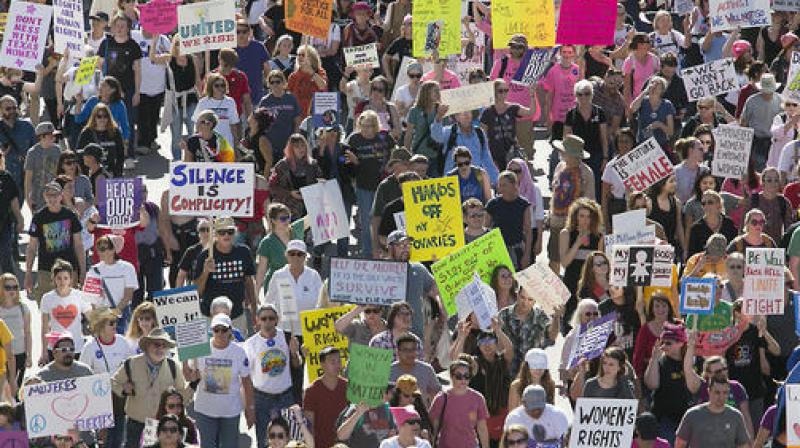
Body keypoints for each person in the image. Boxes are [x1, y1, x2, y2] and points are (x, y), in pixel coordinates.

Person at [112, 328, 191, 447]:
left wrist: (194, 384)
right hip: (135, 424)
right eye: (157, 344)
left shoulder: (173, 366)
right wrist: (123, 389)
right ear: (148, 345)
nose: (160, 348)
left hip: (162, 427)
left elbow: (182, 394)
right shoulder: (131, 363)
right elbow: (113, 382)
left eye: (164, 345)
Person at [185, 313, 255, 448]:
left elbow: (247, 382)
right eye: (216, 330)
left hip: (230, 411)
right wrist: (185, 359)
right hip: (205, 410)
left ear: (230, 330)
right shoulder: (201, 348)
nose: (220, 333)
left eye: (224, 329)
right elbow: (190, 377)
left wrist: (250, 409)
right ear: (212, 331)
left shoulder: (239, 352)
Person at [243, 304, 302, 448]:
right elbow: (245, 378)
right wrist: (249, 407)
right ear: (257, 320)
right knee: (265, 441)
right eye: (264, 319)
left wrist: (295, 353)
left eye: (271, 318)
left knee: (290, 440)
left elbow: (297, 365)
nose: (267, 322)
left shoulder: (287, 337)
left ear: (277, 320)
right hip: (262, 399)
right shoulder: (250, 344)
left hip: (286, 397)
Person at [79, 308, 132, 447]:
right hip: (100, 400)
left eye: (115, 321)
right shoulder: (90, 347)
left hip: (120, 398)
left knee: (119, 439)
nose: (115, 325)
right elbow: (82, 375)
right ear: (100, 326)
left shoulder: (123, 342)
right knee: (104, 441)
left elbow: (131, 367)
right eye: (110, 322)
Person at [346, 110, 397, 256]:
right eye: (363, 126)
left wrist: (391, 164)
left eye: (370, 126)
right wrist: (353, 161)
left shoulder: (383, 136)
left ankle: (387, 252)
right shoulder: (354, 139)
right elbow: (343, 160)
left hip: (384, 185)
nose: (366, 129)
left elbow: (396, 150)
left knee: (385, 218)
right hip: (363, 186)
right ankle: (368, 252)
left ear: (376, 126)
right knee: (367, 220)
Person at [193, 217, 257, 331]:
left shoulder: (244, 252)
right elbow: (197, 291)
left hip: (236, 315)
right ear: (215, 234)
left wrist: (254, 307)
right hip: (211, 316)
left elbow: (249, 281)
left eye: (230, 231)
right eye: (222, 232)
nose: (226, 235)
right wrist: (206, 272)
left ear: (235, 232)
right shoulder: (205, 256)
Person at [548, 135, 595, 272]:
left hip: (574, 224)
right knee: (554, 258)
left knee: (574, 260)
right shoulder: (560, 167)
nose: (560, 153)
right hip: (556, 220)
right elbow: (555, 192)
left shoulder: (586, 173)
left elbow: (589, 201)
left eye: (563, 151)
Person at [644, 322, 694, 444]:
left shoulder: (691, 360)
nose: (663, 346)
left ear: (681, 343)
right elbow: (652, 384)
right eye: (662, 342)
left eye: (668, 343)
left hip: (688, 418)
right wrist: (654, 358)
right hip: (666, 419)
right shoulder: (661, 362)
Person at [560, 198, 604, 325]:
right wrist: (578, 243)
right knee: (570, 323)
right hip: (571, 283)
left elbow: (600, 265)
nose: (585, 220)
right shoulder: (566, 233)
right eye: (582, 216)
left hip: (590, 285)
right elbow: (564, 262)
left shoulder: (599, 237)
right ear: (575, 217)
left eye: (589, 217)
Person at [38, 259, 90, 365]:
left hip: (76, 347)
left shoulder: (80, 296)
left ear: (70, 279)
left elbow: (92, 318)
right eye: (59, 278)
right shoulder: (47, 298)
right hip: (55, 349)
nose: (62, 282)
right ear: (54, 279)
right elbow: (44, 327)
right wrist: (43, 352)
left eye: (65, 278)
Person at [675, 376, 751, 448]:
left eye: (725, 393)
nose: (721, 397)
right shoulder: (692, 415)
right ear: (709, 391)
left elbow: (743, 445)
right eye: (717, 392)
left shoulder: (736, 416)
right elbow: (680, 444)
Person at [429, 359, 490, 448]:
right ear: (451, 376)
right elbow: (434, 428)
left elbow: (482, 428)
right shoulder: (441, 398)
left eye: (467, 376)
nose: (463, 379)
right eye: (458, 376)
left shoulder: (478, 398)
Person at [480, 79, 538, 170]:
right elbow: (483, 136)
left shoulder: (512, 108)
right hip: (495, 153)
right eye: (500, 91)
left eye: (506, 90)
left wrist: (532, 95)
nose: (504, 93)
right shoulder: (487, 112)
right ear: (494, 92)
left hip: (511, 152)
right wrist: (487, 156)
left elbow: (531, 112)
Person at [264, 240, 323, 327]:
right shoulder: (278, 275)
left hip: (310, 329)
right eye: (292, 253)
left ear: (305, 256)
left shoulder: (313, 275)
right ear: (286, 255)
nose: (295, 257)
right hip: (284, 329)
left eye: (299, 254)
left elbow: (322, 301)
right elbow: (269, 302)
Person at [565, 79, 608, 195]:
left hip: (596, 155)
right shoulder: (571, 114)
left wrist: (605, 158)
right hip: (577, 156)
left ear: (592, 94)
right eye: (580, 94)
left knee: (595, 187)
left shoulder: (599, 113)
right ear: (575, 95)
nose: (583, 97)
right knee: (576, 186)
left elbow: (604, 138)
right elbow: (566, 138)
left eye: (587, 93)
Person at [434, 111, 499, 186]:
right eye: (461, 112)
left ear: (472, 114)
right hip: (453, 183)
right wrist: (438, 117)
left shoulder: (479, 133)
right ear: (456, 117)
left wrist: (497, 181)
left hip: (475, 181)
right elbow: (436, 136)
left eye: (468, 111)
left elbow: (487, 159)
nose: (466, 114)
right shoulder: (449, 131)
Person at [303, 346, 348, 448]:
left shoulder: (348, 387)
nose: (337, 365)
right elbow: (309, 424)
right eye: (332, 362)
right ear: (322, 364)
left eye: (339, 361)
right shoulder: (312, 391)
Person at [269, 134, 322, 219]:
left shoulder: (312, 164)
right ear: (291, 149)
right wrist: (290, 193)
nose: (301, 149)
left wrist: (322, 183)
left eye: (303, 145)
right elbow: (272, 187)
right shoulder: (282, 165)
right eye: (297, 146)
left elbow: (319, 180)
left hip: (309, 210)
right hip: (287, 211)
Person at [486, 170, 532, 269]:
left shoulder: (523, 204)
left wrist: (527, 254)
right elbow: (485, 229)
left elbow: (528, 231)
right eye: (499, 185)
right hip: (497, 250)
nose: (500, 188)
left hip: (517, 250)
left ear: (514, 185)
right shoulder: (492, 204)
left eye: (504, 185)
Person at [741, 73, 784, 171]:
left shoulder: (781, 100)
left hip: (775, 141)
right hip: (757, 141)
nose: (767, 93)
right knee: (759, 170)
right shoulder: (751, 101)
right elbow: (743, 122)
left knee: (774, 169)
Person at [503, 385, 570, 444]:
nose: (536, 411)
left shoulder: (558, 415)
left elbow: (565, 442)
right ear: (523, 403)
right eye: (532, 407)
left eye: (539, 407)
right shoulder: (514, 418)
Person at [389, 333, 441, 404]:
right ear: (398, 352)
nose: (410, 353)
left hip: (420, 413)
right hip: (394, 413)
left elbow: (436, 394)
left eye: (413, 349)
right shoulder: (389, 371)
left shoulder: (427, 369)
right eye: (406, 350)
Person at [747, 167, 795, 244]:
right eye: (769, 180)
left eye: (776, 180)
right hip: (753, 247)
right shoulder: (752, 200)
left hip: (776, 248)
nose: (773, 183)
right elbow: (743, 227)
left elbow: (789, 230)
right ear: (762, 182)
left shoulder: (784, 202)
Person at [76, 103, 126, 177]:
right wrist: (86, 174)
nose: (102, 119)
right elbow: (79, 155)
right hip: (91, 173)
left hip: (111, 172)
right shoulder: (86, 133)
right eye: (99, 116)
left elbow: (120, 154)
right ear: (94, 117)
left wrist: (117, 173)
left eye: (105, 116)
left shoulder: (115, 132)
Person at [193, 74, 241, 149]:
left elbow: (233, 125)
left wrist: (236, 145)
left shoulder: (230, 102)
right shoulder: (203, 102)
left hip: (226, 144)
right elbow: (197, 124)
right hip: (208, 145)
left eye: (222, 85)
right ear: (210, 86)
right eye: (217, 85)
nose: (220, 88)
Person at [686, 190, 738, 258]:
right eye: (703, 203)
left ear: (719, 204)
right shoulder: (696, 228)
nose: (706, 206)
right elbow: (692, 256)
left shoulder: (728, 223)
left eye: (710, 202)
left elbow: (735, 251)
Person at [405, 81, 442, 176]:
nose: (438, 93)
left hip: (437, 155)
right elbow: (408, 134)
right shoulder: (415, 111)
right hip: (420, 155)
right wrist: (407, 153)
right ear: (426, 93)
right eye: (435, 91)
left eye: (439, 90)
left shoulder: (441, 110)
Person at [570, 346, 636, 400]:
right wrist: (581, 371)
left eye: (611, 364)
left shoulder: (626, 384)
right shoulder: (590, 384)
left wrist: (623, 379)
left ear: (620, 367)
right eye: (604, 363)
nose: (607, 367)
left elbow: (630, 406)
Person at [0, 273, 28, 389]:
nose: (12, 290)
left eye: (15, 287)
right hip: (3, 356)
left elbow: (28, 332)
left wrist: (29, 355)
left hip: (20, 353)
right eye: (8, 287)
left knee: (15, 391)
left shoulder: (22, 308)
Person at [287, 45, 327, 119]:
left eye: (303, 55)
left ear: (311, 57)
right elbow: (289, 97)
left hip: (316, 115)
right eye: (298, 55)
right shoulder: (293, 76)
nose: (300, 57)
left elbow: (323, 86)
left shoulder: (319, 71)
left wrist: (311, 72)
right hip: (298, 116)